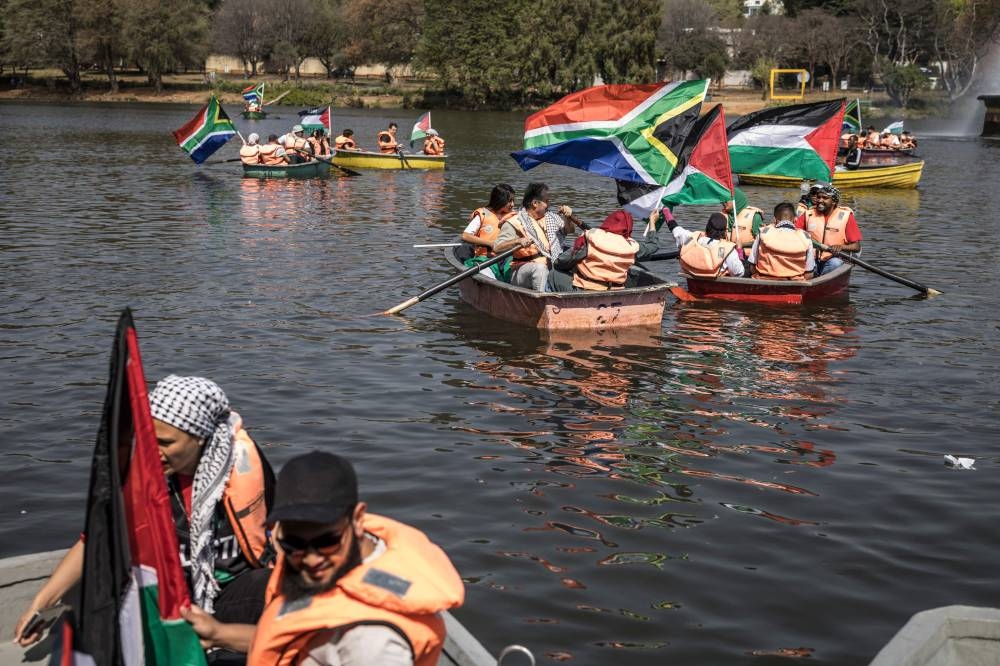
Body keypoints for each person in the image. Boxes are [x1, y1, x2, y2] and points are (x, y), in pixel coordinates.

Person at [14, 376, 275, 647]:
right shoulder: (144, 477)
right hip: (170, 597)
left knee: (269, 585)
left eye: (166, 443)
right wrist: (40, 604)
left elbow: (282, 534)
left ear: (199, 437)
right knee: (104, 593)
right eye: (149, 439)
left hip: (229, 594)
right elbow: (95, 540)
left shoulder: (244, 466)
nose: (154, 451)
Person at [182, 451, 465, 666]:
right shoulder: (343, 570)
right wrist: (219, 633)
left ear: (357, 519)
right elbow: (292, 634)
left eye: (326, 541)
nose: (311, 559)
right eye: (294, 543)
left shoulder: (371, 643)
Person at [548, 209, 662, 292]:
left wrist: (574, 267)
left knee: (553, 273)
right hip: (616, 290)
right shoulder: (632, 247)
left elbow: (561, 262)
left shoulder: (591, 238)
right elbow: (653, 245)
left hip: (587, 289)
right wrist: (652, 222)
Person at [492, 182, 576, 291]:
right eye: (546, 201)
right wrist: (517, 241)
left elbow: (570, 230)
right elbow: (497, 247)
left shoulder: (550, 218)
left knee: (577, 261)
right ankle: (543, 302)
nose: (548, 204)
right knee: (540, 269)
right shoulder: (515, 221)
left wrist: (568, 217)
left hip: (552, 266)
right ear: (535, 203)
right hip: (522, 271)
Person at [794, 184, 862, 275]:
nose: (820, 200)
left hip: (834, 259)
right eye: (818, 197)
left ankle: (819, 279)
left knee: (835, 263)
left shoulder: (846, 217)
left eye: (825, 198)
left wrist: (841, 247)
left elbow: (856, 247)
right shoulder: (808, 214)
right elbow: (794, 234)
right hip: (812, 258)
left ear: (834, 202)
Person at [461, 184, 516, 280]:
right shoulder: (482, 214)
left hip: (508, 258)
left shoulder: (513, 216)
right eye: (509, 201)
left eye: (513, 201)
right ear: (500, 200)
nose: (512, 204)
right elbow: (465, 236)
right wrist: (490, 243)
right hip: (486, 259)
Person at [748, 202, 816, 280]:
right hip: (794, 284)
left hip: (764, 280)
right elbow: (809, 274)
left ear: (775, 219)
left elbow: (752, 266)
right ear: (795, 219)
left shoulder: (763, 232)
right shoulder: (805, 237)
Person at [668, 212, 745, 278]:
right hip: (717, 284)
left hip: (694, 282)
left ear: (707, 227)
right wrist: (739, 252)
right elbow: (738, 273)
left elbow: (675, 229)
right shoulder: (727, 249)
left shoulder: (692, 238)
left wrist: (666, 212)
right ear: (725, 231)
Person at [723, 188, 764, 252]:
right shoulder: (721, 216)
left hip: (747, 258)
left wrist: (743, 244)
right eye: (722, 199)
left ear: (735, 200)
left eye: (726, 199)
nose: (723, 202)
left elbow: (761, 242)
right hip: (726, 256)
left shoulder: (755, 217)